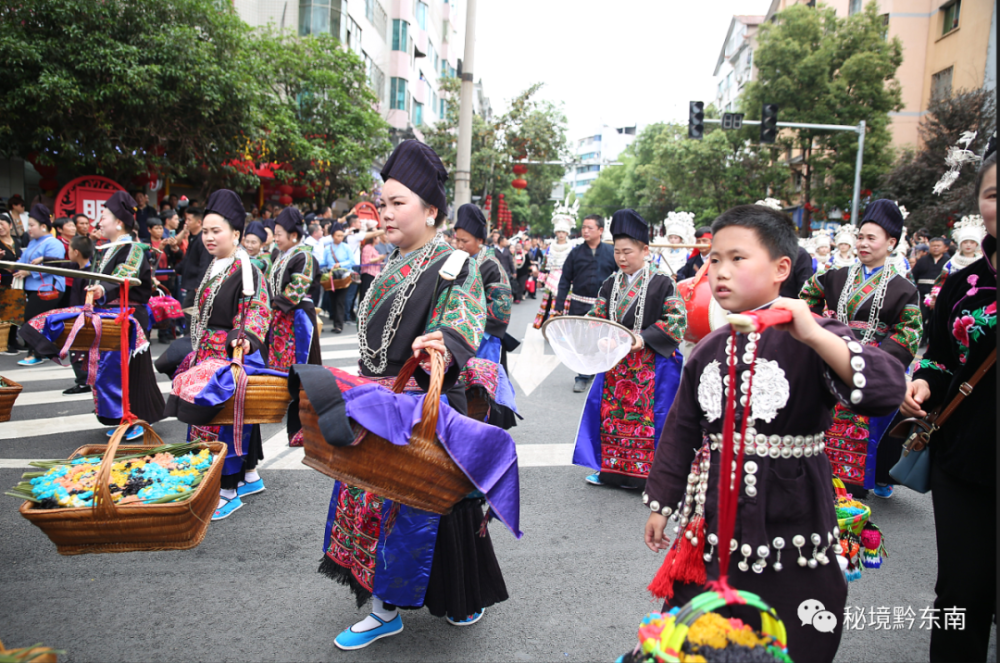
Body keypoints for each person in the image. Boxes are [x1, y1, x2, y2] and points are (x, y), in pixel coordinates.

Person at [643, 203, 907, 663]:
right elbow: (682, 430)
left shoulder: (812, 335)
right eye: (714, 259)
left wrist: (816, 334)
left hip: (794, 519)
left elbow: (885, 389)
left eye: (737, 258)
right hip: (713, 523)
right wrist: (662, 505)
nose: (720, 271)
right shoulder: (706, 349)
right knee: (698, 641)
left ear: (781, 268)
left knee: (796, 637)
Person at [319, 140, 508, 650]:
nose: (385, 213)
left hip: (415, 402)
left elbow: (463, 322)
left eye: (398, 202)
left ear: (431, 210)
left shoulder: (453, 265)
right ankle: (390, 606)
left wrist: (439, 342)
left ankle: (441, 598)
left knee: (414, 505)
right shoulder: (387, 266)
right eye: (382, 203)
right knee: (383, 501)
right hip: (374, 402)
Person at [901, 148, 996, 663]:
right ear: (980, 204)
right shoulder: (962, 283)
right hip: (965, 459)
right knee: (961, 594)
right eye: (994, 194)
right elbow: (940, 358)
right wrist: (922, 386)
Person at [162, 189, 272, 522]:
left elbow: (257, 310)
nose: (209, 237)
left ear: (236, 234)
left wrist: (244, 337)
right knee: (210, 423)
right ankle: (243, 477)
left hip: (226, 358)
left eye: (216, 231)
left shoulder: (246, 268)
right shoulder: (218, 265)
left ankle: (227, 491)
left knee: (224, 424)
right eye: (205, 231)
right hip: (205, 355)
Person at [799, 200, 920, 498]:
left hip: (869, 367)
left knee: (863, 430)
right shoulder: (835, 276)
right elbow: (805, 300)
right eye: (860, 237)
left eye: (871, 238)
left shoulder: (904, 288)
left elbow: (909, 332)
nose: (863, 244)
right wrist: (818, 330)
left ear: (891, 243)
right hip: (829, 361)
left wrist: (875, 358)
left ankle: (852, 494)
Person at [572, 209, 686, 489]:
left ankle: (653, 475)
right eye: (617, 252)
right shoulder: (611, 283)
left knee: (651, 420)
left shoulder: (662, 282)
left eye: (628, 252)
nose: (621, 258)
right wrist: (591, 331)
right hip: (615, 364)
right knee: (609, 416)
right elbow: (597, 316)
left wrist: (643, 338)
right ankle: (610, 470)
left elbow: (677, 321)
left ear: (645, 250)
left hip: (650, 365)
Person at [554, 213, 618, 392]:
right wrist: (559, 306)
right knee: (580, 342)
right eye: (583, 227)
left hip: (602, 307)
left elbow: (620, 279)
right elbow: (565, 280)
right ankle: (582, 376)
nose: (586, 231)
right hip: (578, 304)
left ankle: (600, 375)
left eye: (590, 227)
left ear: (600, 230)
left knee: (601, 342)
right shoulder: (575, 253)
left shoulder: (611, 253)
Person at [266, 207, 323, 381]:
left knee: (300, 362)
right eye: (274, 234)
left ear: (293, 235)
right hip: (280, 313)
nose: (276, 239)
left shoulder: (304, 257)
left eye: (279, 234)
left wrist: (271, 304)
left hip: (297, 316)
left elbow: (297, 290)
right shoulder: (280, 255)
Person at [13, 204, 65, 366]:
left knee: (31, 319)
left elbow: (55, 265)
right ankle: (44, 351)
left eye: (32, 225)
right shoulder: (32, 242)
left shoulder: (53, 243)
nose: (29, 228)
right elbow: (21, 262)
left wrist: (29, 272)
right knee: (37, 320)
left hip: (49, 288)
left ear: (44, 226)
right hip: (33, 288)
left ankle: (37, 353)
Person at [531, 203, 578, 329]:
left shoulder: (572, 247)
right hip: (551, 278)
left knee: (564, 304)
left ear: (567, 233)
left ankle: (562, 327)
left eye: (564, 232)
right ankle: (550, 326)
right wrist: (541, 279)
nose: (561, 234)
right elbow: (545, 264)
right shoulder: (550, 247)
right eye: (559, 231)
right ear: (556, 232)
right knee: (550, 303)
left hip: (567, 279)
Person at [924, 214, 986, 310]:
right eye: (965, 242)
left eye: (972, 242)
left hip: (977, 302)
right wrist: (935, 296)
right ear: (960, 244)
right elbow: (941, 282)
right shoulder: (951, 263)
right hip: (953, 301)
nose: (968, 245)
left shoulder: (983, 263)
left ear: (977, 245)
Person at [62, 235, 94, 394]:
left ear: (76, 252)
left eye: (68, 249)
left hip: (83, 315)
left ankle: (83, 382)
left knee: (77, 348)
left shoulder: (89, 274)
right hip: (78, 314)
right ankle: (85, 379)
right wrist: (43, 259)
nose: (67, 252)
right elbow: (60, 263)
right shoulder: (80, 267)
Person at [177, 206, 211, 335]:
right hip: (191, 282)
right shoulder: (193, 238)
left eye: (189, 220)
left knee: (190, 312)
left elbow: (204, 263)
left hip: (196, 284)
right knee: (188, 311)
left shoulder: (202, 239)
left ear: (199, 222)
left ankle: (190, 338)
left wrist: (200, 284)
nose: (186, 223)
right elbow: (188, 260)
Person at [912, 235, 951, 338]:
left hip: (941, 294)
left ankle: (932, 338)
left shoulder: (948, 262)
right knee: (921, 316)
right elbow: (913, 276)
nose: (936, 248)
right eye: (933, 245)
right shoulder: (922, 260)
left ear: (945, 247)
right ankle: (921, 337)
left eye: (938, 245)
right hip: (922, 292)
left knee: (936, 318)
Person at [0, 212, 25, 355]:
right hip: (3, 280)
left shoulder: (17, 241)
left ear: (9, 225)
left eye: (2, 224)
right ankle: (6, 343)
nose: (0, 227)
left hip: (17, 280)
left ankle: (14, 340)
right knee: (5, 313)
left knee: (16, 311)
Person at [324, 227, 355, 334]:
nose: (340, 238)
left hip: (343, 277)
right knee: (332, 300)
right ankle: (335, 322)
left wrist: (340, 264)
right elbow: (323, 262)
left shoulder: (346, 247)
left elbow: (352, 261)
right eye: (338, 235)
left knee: (340, 301)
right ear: (332, 236)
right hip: (332, 277)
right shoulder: (328, 248)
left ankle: (339, 325)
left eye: (342, 235)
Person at [653, 212, 695, 278]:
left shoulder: (686, 254)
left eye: (675, 238)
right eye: (671, 237)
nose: (673, 240)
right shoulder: (663, 252)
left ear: (681, 239)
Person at [356, 234, 383, 314]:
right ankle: (362, 313)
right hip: (368, 274)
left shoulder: (373, 248)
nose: (379, 239)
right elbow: (366, 261)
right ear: (374, 238)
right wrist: (379, 258)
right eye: (378, 237)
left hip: (374, 274)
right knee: (365, 295)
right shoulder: (367, 247)